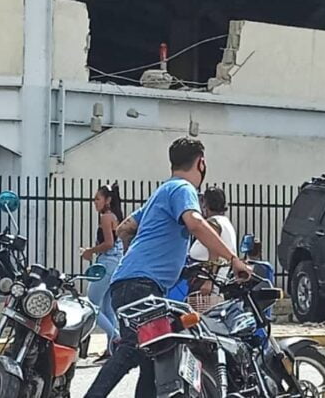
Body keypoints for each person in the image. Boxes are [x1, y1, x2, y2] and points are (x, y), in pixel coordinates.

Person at [84, 137, 252, 398]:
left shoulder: (161, 193)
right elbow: (195, 223)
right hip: (141, 285)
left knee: (153, 359)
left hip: (131, 282)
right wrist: (234, 259)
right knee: (133, 348)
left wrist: (145, 256)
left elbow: (125, 227)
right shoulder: (183, 189)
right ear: (201, 163)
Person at [81, 183, 124, 363]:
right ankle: (112, 350)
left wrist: (90, 251)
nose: (94, 202)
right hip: (115, 263)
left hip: (107, 263)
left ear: (108, 200)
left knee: (91, 306)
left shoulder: (106, 217)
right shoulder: (115, 216)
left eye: (97, 199)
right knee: (107, 308)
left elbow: (108, 243)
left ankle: (116, 337)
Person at [189, 186, 237, 295]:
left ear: (206, 204)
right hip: (218, 277)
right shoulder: (225, 222)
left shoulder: (213, 223)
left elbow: (213, 251)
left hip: (205, 278)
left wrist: (208, 281)